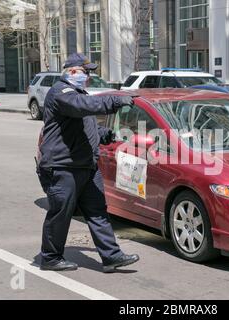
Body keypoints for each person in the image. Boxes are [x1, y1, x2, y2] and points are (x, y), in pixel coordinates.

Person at [37, 53, 139, 273]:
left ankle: (111, 257)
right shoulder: (61, 93)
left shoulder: (78, 94)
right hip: (62, 166)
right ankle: (51, 257)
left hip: (86, 166)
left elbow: (82, 124)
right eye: (86, 72)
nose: (89, 76)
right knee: (61, 213)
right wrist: (115, 99)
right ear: (72, 72)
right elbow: (83, 106)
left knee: (98, 211)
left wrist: (103, 134)